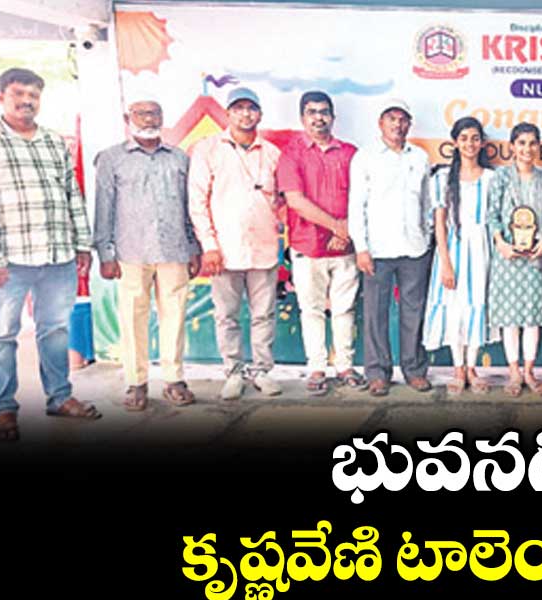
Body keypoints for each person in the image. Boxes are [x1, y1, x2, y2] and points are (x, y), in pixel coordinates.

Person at [0, 67, 101, 441]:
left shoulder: (52, 141)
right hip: (9, 261)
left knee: (55, 330)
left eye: (33, 95)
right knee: (2, 334)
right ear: (1, 97)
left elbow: (72, 194)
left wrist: (81, 244)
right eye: (18, 94)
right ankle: (4, 409)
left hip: (57, 256)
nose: (27, 101)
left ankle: (60, 398)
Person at [94, 96, 201, 411]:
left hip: (174, 249)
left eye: (154, 113)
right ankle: (136, 383)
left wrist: (194, 247)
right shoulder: (111, 158)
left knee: (175, 316)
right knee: (132, 318)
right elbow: (103, 207)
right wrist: (105, 252)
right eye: (140, 114)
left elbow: (189, 207)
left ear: (162, 117)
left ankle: (174, 379)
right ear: (128, 119)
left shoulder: (179, 158)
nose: (148, 119)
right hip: (131, 251)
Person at [189, 87, 283, 400]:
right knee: (226, 316)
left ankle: (262, 371)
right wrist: (209, 245)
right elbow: (197, 201)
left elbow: (282, 200)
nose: (245, 114)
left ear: (260, 114)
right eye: (239, 108)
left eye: (251, 108)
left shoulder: (272, 153)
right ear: (228, 113)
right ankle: (233, 372)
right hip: (224, 251)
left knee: (264, 315)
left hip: (263, 247)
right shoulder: (208, 150)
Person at [276, 90, 362, 397]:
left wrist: (346, 229)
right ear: (303, 118)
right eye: (312, 112)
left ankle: (345, 367)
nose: (318, 118)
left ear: (333, 117)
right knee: (311, 309)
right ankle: (316, 369)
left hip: (344, 247)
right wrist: (337, 226)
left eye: (324, 112)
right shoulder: (292, 155)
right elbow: (295, 200)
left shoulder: (350, 153)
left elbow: (362, 197)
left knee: (344, 309)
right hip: (307, 246)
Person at [348, 98, 433, 397]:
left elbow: (427, 202)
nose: (397, 124)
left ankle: (414, 370)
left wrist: (427, 237)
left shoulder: (420, 157)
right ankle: (377, 373)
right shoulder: (365, 157)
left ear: (409, 124)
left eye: (402, 119)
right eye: (391, 118)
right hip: (378, 250)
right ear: (380, 123)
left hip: (415, 249)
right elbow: (356, 206)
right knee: (375, 313)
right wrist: (361, 248)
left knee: (414, 311)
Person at [486, 122, 542, 398]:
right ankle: (514, 372)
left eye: (532, 143)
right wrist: (501, 243)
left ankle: (529, 372)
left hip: (534, 259)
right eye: (521, 143)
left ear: (538, 146)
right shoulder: (501, 177)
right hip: (507, 257)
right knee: (509, 318)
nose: (527, 149)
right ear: (512, 147)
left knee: (531, 317)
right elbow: (492, 215)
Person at [423, 117, 495, 394]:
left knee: (476, 302)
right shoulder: (442, 178)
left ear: (482, 143)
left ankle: (473, 367)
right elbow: (440, 224)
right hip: (452, 248)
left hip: (481, 248)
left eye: (475, 138)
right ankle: (458, 368)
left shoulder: (491, 178)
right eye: (463, 138)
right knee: (454, 306)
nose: (469, 143)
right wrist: (445, 262)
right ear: (455, 142)